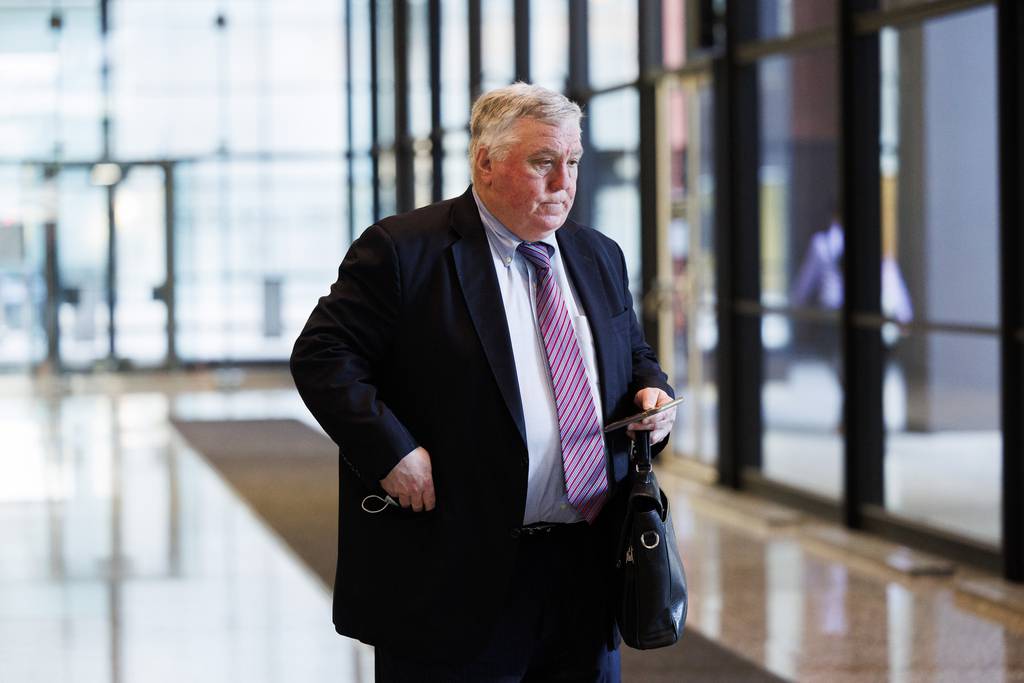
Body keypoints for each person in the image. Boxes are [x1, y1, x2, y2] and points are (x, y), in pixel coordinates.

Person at [290, 83, 676, 682]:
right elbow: (323, 356)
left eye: (572, 162)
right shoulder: (403, 250)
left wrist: (653, 394)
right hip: (455, 568)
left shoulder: (598, 254)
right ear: (485, 162)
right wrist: (391, 451)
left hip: (587, 567)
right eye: (542, 162)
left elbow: (634, 355)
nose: (563, 181)